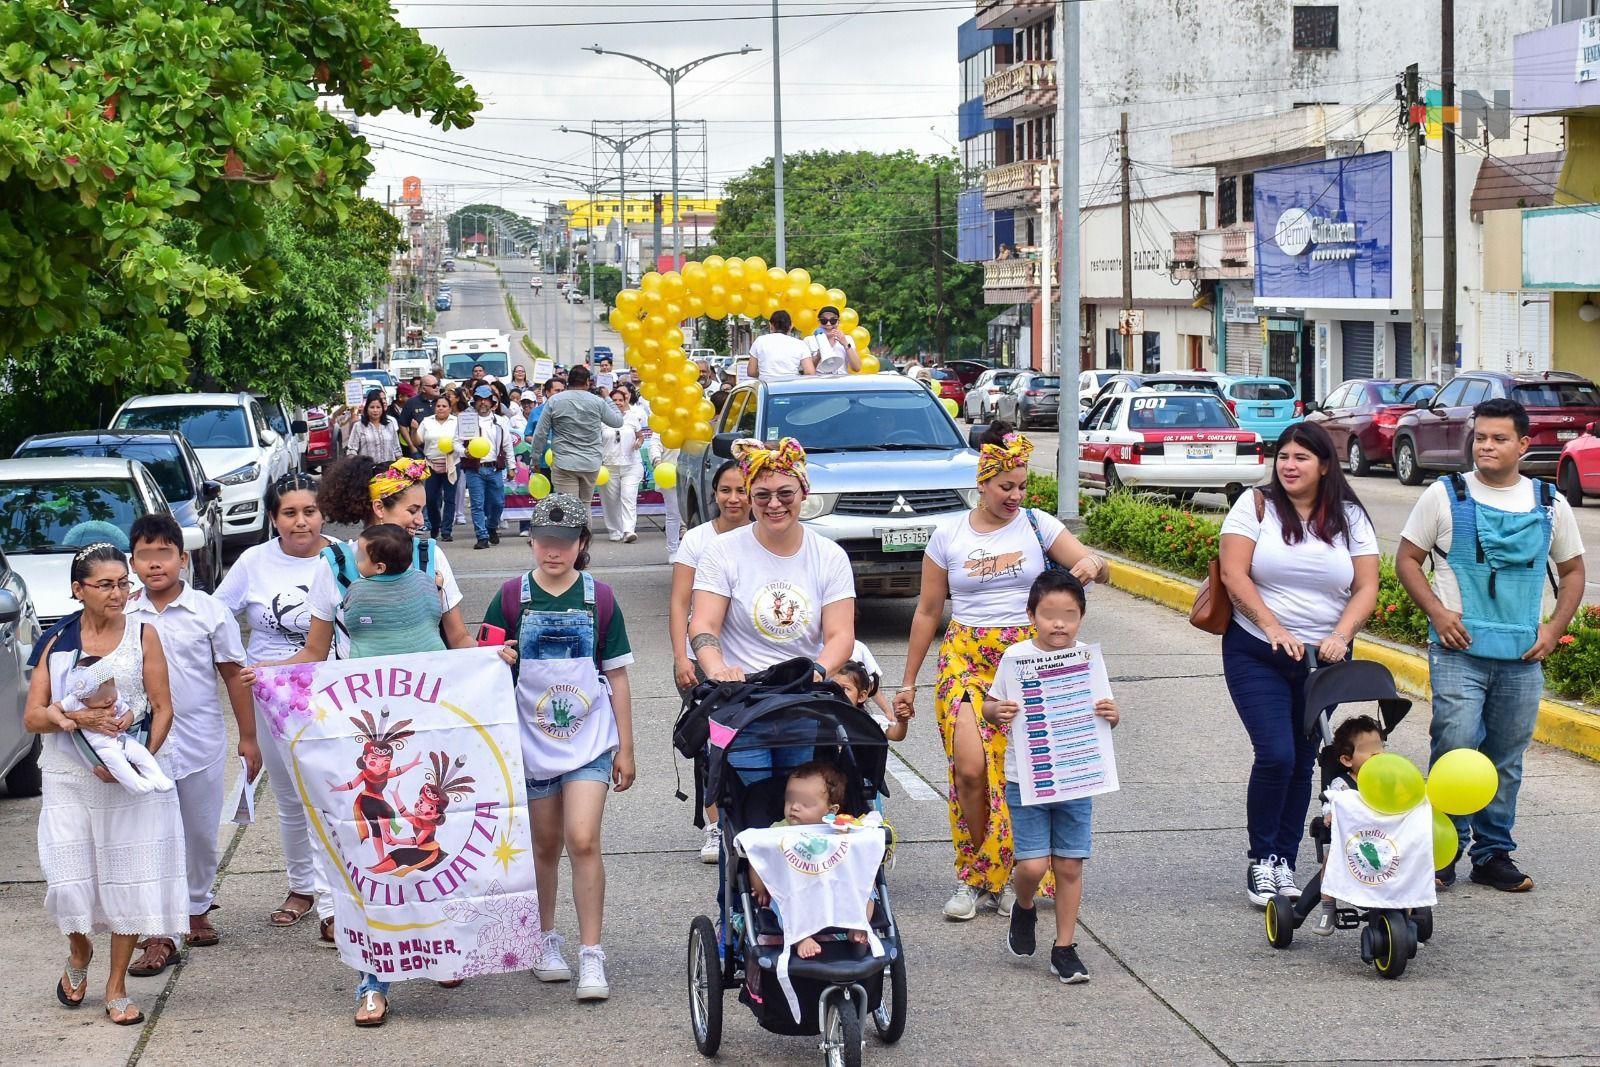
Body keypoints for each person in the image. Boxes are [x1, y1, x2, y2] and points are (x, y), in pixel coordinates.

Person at [258, 457, 476, 1025]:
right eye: (411, 510)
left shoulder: (432, 557)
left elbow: (457, 638)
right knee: (367, 853)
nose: (421, 522)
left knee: (438, 839)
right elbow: (313, 652)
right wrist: (267, 674)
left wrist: (493, 660)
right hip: (366, 727)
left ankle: (442, 946)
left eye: (423, 511)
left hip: (432, 719)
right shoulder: (334, 564)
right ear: (379, 509)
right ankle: (372, 978)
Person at [897, 424, 1108, 921]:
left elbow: (1095, 568)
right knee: (970, 769)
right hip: (965, 657)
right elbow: (928, 611)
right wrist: (908, 680)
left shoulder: (1038, 524)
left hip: (1027, 657)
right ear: (982, 485)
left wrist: (1091, 566)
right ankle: (975, 877)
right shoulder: (948, 533)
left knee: (1028, 769)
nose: (1014, 496)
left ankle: (1023, 871)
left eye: (1020, 486)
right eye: (1004, 486)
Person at [1395, 396, 1585, 893]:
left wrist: (1552, 630)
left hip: (1522, 656)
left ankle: (1493, 853)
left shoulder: (1549, 502)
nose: (1486, 446)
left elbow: (1573, 571)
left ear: (1523, 444)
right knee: (1456, 747)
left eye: (1499, 438)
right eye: (1480, 437)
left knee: (1505, 757)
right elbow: (1408, 561)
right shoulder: (1444, 494)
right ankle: (1443, 851)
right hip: (1459, 654)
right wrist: (1438, 613)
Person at [480, 494, 636, 1002]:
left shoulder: (601, 599)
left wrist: (626, 747)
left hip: (589, 741)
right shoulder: (509, 596)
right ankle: (545, 939)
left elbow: (617, 676)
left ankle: (592, 954)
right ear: (532, 542)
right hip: (530, 742)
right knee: (544, 846)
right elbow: (480, 665)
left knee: (583, 838)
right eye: (545, 541)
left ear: (582, 545)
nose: (554, 551)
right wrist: (495, 656)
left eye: (565, 543)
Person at [1219, 420, 1379, 907]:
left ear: (1324, 465)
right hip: (1258, 651)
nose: (1289, 465)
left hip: (1323, 660)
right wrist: (1272, 627)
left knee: (1306, 758)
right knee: (1276, 754)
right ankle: (1261, 859)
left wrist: (1341, 634)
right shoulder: (1256, 505)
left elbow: (1366, 586)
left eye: (1301, 458)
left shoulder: (1349, 516)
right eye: (1283, 456)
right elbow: (1233, 573)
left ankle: (1285, 861)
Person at [25, 543, 186, 1025]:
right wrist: (69, 718)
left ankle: (115, 986)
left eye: (123, 583)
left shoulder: (144, 634)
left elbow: (163, 708)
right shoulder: (58, 643)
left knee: (127, 882)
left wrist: (134, 764)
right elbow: (33, 716)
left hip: (126, 782)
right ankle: (78, 952)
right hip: (68, 778)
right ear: (78, 590)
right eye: (105, 584)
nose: (118, 593)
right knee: (67, 883)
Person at [123, 514, 256, 966]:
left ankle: (197, 906)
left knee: (199, 834)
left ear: (183, 558)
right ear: (133, 562)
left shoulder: (208, 612)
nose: (155, 564)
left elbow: (235, 677)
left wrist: (249, 738)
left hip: (200, 742)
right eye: (145, 555)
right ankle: (161, 930)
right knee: (152, 836)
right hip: (143, 748)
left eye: (164, 554)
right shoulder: (124, 613)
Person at [216, 473, 340, 934]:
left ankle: (336, 899)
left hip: (330, 695)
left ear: (322, 513)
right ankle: (302, 887)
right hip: (267, 696)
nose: (301, 522)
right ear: (273, 518)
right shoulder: (252, 561)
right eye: (289, 513)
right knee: (288, 797)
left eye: (309, 511)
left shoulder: (343, 557)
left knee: (326, 797)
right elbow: (216, 614)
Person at [983, 570, 1118, 984]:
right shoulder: (1016, 657)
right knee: (1033, 864)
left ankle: (1064, 948)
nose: (1059, 623)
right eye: (1049, 614)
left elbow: (1103, 710)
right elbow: (990, 705)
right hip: (1028, 777)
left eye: (1070, 615)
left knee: (1070, 865)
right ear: (1031, 615)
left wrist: (1112, 715)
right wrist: (997, 712)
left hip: (1076, 778)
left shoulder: (1087, 660)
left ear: (1081, 617)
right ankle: (1023, 905)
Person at [668, 459, 751, 862]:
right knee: (711, 742)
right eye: (725, 490)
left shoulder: (766, 536)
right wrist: (681, 655)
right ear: (713, 493)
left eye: (741, 490)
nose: (733, 498)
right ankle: (715, 824)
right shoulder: (698, 540)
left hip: (749, 659)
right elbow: (680, 601)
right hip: (703, 656)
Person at [746, 761, 872, 960]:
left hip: (834, 889)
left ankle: (859, 923)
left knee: (867, 890)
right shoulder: (778, 830)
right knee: (783, 899)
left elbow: (855, 859)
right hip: (795, 890)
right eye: (790, 800)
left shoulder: (839, 829)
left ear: (831, 811)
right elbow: (759, 857)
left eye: (805, 803)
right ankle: (800, 936)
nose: (794, 807)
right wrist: (759, 886)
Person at [1311, 715, 1384, 935]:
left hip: (1385, 839)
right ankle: (1327, 909)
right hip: (1351, 842)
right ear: (1346, 759)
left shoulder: (1388, 779)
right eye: (1368, 749)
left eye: (1380, 746)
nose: (1377, 753)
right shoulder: (1343, 784)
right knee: (1329, 859)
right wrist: (1331, 814)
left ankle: (1409, 920)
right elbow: (1332, 801)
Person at [341, 524, 445, 659]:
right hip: (428, 659)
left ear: (379, 567)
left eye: (360, 556)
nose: (356, 559)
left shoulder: (358, 589)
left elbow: (353, 623)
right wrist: (438, 587)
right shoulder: (422, 578)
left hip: (375, 666)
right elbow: (435, 611)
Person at [57, 676, 173, 793]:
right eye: (101, 696)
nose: (108, 699)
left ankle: (158, 778)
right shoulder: (75, 701)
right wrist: (63, 720)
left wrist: (127, 720)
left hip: (123, 739)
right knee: (117, 762)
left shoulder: (114, 700)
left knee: (140, 752)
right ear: (84, 697)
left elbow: (128, 712)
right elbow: (52, 709)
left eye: (111, 691)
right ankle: (136, 785)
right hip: (103, 747)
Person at [529, 364, 625, 504]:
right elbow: (617, 421)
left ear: (568, 382)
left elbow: (540, 433)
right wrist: (607, 398)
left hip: (564, 462)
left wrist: (535, 459)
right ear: (587, 382)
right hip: (590, 463)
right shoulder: (598, 402)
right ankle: (586, 527)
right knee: (585, 505)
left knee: (568, 507)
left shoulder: (554, 401)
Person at [457, 384, 515, 550]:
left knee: (498, 503)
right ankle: (481, 536)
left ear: (492, 402)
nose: (482, 403)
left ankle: (491, 526)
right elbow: (456, 442)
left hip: (494, 468)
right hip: (474, 468)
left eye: (486, 400)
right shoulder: (466, 419)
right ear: (474, 402)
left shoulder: (500, 421)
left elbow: (507, 445)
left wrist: (511, 466)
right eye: (479, 400)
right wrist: (464, 451)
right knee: (477, 504)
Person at [599, 385, 647, 543]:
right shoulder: (601, 419)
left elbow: (640, 435)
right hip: (609, 466)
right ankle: (614, 529)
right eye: (614, 400)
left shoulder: (632, 417)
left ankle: (628, 531)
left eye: (621, 400)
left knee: (628, 497)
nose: (618, 402)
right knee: (610, 500)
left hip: (631, 465)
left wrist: (638, 442)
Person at [417, 395, 459, 540]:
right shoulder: (427, 421)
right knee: (430, 498)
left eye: (444, 406)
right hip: (431, 464)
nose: (440, 408)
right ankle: (435, 525)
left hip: (452, 463)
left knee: (450, 498)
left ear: (450, 408)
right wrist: (413, 430)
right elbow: (418, 440)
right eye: (438, 406)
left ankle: (447, 531)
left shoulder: (456, 422)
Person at [746, 310, 815, 379]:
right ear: (790, 326)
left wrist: (763, 374)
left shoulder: (759, 341)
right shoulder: (800, 344)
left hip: (766, 386)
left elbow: (751, 372)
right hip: (792, 387)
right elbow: (810, 372)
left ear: (771, 325)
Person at [345, 389, 402, 465]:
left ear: (382, 409)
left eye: (378, 407)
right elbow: (352, 450)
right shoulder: (358, 426)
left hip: (388, 472)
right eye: (372, 407)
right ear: (367, 409)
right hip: (367, 471)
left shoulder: (389, 424)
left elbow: (397, 449)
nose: (375, 410)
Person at [806, 306, 862, 376]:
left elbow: (857, 367)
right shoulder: (809, 340)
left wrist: (845, 344)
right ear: (819, 322)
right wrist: (818, 356)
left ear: (838, 322)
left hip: (840, 381)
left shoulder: (847, 339)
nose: (828, 324)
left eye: (833, 321)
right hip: (818, 381)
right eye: (824, 321)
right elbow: (806, 371)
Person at [398, 375, 440, 459]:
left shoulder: (442, 401)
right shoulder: (412, 402)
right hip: (420, 451)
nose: (437, 388)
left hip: (440, 450)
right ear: (424, 389)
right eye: (434, 386)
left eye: (438, 384)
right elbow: (402, 425)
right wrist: (411, 446)